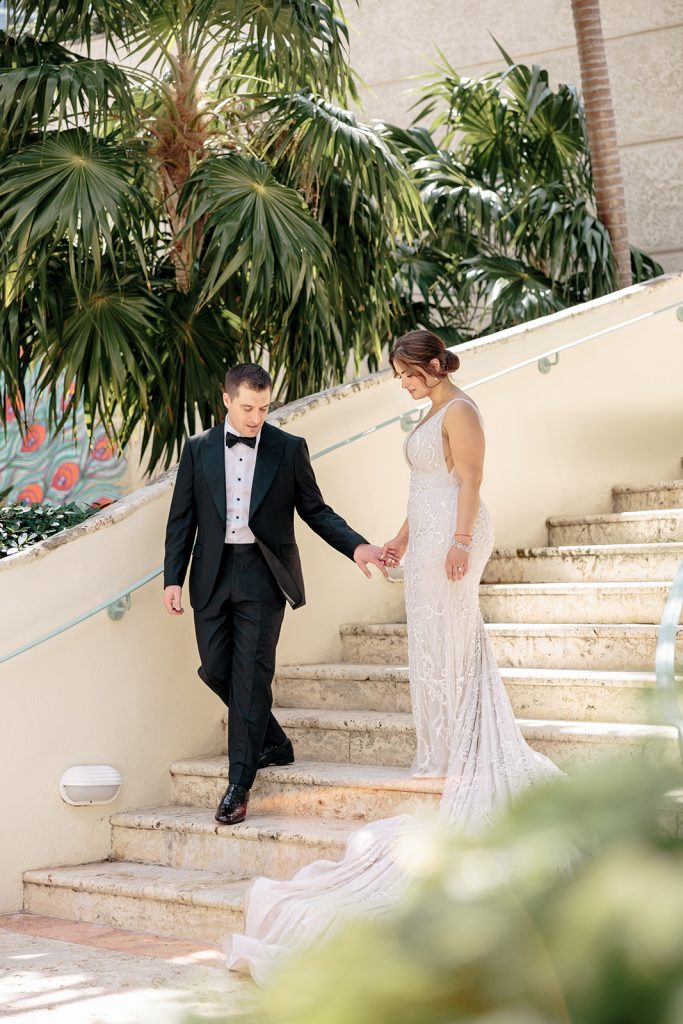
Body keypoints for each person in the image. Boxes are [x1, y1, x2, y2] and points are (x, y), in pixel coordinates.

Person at [223, 331, 562, 983]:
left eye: (407, 373)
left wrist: (458, 542)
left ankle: (464, 761)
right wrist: (400, 540)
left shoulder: (460, 411)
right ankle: (442, 756)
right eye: (399, 376)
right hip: (431, 535)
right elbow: (423, 491)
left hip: (457, 539)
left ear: (433, 365)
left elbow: (468, 481)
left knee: (450, 645)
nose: (402, 383)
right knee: (429, 650)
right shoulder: (430, 412)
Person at [163, 363, 387, 827]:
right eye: (247, 408)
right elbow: (181, 519)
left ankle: (238, 785)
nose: (255, 418)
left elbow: (315, 510)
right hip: (211, 574)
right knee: (217, 668)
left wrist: (357, 545)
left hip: (265, 576)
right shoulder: (199, 449)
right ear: (227, 399)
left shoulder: (287, 449)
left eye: (263, 408)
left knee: (250, 678)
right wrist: (172, 579)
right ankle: (275, 742)